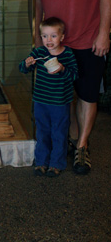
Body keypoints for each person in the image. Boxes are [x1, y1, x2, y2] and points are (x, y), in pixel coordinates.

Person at [34, 0, 111, 175]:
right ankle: (69, 138)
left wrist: (104, 33)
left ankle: (82, 146)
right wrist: (37, 36)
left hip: (88, 39)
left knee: (87, 95)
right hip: (55, 44)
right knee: (60, 96)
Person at [19, 17, 78, 177]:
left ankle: (56, 164)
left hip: (60, 103)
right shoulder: (40, 52)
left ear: (62, 37)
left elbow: (74, 75)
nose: (48, 40)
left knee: (59, 133)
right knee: (42, 131)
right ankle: (41, 162)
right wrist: (27, 63)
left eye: (53, 35)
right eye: (44, 36)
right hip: (40, 101)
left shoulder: (67, 54)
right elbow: (22, 69)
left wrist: (62, 69)